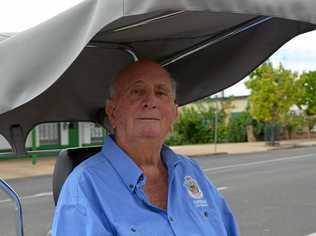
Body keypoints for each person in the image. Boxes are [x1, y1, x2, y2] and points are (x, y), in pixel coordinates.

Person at [52, 59, 239, 235]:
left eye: (161, 92)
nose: (151, 101)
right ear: (113, 111)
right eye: (137, 91)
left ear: (174, 114)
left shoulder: (190, 172)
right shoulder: (84, 186)